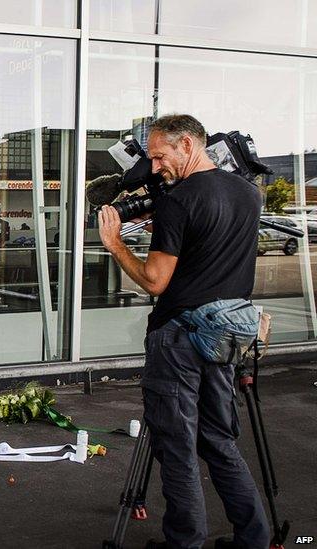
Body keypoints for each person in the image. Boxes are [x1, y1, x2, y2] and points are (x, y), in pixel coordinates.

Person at [98, 114, 268, 549]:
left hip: (181, 339)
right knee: (219, 440)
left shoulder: (178, 201)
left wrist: (116, 243)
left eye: (159, 156)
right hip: (226, 335)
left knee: (176, 446)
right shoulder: (248, 194)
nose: (155, 167)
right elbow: (212, 248)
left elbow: (156, 280)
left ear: (189, 145)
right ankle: (255, 538)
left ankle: (184, 542)